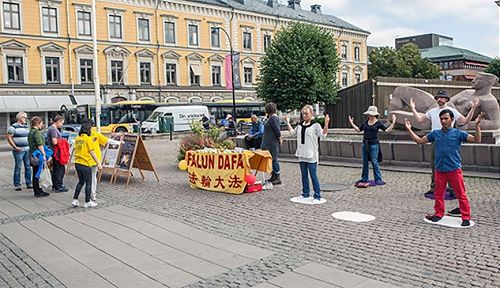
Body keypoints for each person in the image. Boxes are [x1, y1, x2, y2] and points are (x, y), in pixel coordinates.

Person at [405, 110, 484, 227]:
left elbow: (477, 140)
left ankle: (465, 216)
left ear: (452, 120)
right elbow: (419, 141)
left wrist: (477, 125)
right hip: (440, 170)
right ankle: (439, 213)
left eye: (446, 118)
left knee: (461, 194)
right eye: (441, 119)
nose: (443, 121)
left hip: (454, 170)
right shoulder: (435, 134)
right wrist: (409, 130)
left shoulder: (458, 133)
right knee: (438, 194)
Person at [410, 90, 477, 210]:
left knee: (452, 166)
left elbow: (465, 121)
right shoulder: (432, 111)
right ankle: (434, 187)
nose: (440, 100)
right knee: (435, 165)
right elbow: (420, 119)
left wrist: (473, 108)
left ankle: (452, 189)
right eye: (438, 98)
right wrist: (413, 108)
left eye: (442, 98)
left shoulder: (453, 112)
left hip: (450, 139)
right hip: (435, 139)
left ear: (446, 99)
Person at [285, 105, 330, 203]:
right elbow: (292, 133)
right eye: (303, 114)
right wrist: (287, 122)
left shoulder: (316, 125)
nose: (304, 115)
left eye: (306, 113)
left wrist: (326, 123)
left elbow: (323, 135)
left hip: (311, 154)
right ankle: (305, 193)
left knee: (313, 175)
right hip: (301, 154)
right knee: (304, 175)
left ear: (311, 114)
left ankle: (317, 195)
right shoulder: (300, 125)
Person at [348, 106, 396, 186]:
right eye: (369, 114)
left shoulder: (378, 123)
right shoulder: (366, 122)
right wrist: (352, 123)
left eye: (371, 114)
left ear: (375, 115)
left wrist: (393, 123)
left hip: (374, 144)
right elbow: (359, 130)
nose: (369, 115)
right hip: (365, 144)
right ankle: (364, 178)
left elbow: (386, 130)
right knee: (365, 162)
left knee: (374, 161)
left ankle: (378, 179)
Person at [72, 122, 101, 208]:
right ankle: (87, 201)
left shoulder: (77, 138)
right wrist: (98, 163)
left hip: (77, 163)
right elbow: (92, 152)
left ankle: (75, 200)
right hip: (85, 163)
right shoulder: (88, 139)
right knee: (88, 183)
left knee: (81, 182)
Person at [83, 119, 108, 201]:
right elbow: (105, 141)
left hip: (84, 160)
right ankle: (92, 194)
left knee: (85, 178)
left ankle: (87, 193)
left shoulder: (81, 136)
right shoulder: (95, 134)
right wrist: (102, 147)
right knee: (93, 177)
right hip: (94, 159)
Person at [6, 112, 32, 191]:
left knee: (28, 167)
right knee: (18, 167)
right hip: (19, 150)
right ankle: (17, 184)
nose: (26, 119)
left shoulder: (26, 127)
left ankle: (29, 183)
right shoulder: (13, 127)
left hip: (27, 149)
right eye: (25, 117)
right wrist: (15, 147)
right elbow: (9, 137)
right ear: (20, 118)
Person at [27, 116, 49, 198]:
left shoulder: (31, 132)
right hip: (37, 155)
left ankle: (37, 189)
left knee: (35, 172)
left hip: (32, 154)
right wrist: (44, 155)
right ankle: (37, 191)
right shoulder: (37, 133)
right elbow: (40, 145)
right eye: (42, 123)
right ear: (38, 123)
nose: (42, 125)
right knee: (37, 173)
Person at [261, 102, 282, 185]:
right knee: (272, 159)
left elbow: (277, 130)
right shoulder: (271, 118)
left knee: (274, 160)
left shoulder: (273, 118)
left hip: (271, 143)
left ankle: (277, 177)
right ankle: (273, 176)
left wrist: (279, 138)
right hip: (269, 142)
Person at [47, 115, 68, 192]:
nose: (62, 124)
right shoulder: (54, 130)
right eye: (61, 123)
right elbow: (55, 142)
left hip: (55, 153)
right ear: (58, 121)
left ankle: (56, 185)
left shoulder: (51, 129)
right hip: (57, 154)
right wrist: (63, 141)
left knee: (57, 170)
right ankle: (57, 186)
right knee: (59, 170)